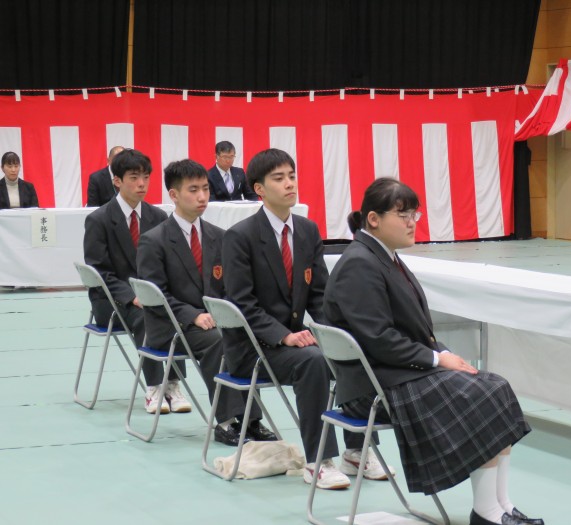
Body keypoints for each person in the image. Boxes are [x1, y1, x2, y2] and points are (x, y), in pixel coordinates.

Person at [323, 178, 543, 525]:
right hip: (373, 387)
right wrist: (438, 359)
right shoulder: (360, 264)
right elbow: (378, 338)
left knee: (495, 387)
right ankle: (486, 513)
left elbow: (412, 331)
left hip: (395, 372)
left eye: (415, 214)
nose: (412, 222)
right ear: (374, 219)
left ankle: (501, 505)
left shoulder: (383, 256)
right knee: (480, 398)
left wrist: (445, 354)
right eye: (403, 215)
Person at [221, 148, 394, 490]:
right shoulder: (239, 237)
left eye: (292, 176)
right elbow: (242, 304)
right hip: (253, 347)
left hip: (295, 342)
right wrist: (284, 335)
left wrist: (341, 336)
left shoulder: (307, 230)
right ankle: (318, 461)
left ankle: (356, 451)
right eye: (279, 178)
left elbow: (320, 296)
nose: (289, 183)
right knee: (313, 362)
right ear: (259, 189)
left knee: (350, 351)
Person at [137, 158, 275, 446]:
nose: (202, 196)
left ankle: (251, 419)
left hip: (212, 321)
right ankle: (226, 421)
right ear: (174, 195)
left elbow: (230, 288)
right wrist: (193, 316)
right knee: (219, 341)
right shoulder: (154, 240)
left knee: (242, 336)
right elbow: (156, 297)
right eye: (193, 190)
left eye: (205, 189)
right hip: (171, 326)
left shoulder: (220, 237)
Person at [83, 148, 192, 415]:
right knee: (149, 316)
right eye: (134, 177)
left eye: (146, 177)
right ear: (117, 181)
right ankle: (155, 387)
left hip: (151, 295)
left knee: (174, 311)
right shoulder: (98, 220)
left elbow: (170, 265)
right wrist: (132, 296)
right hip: (111, 300)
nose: (142, 183)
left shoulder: (158, 217)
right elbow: (99, 272)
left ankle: (173, 384)